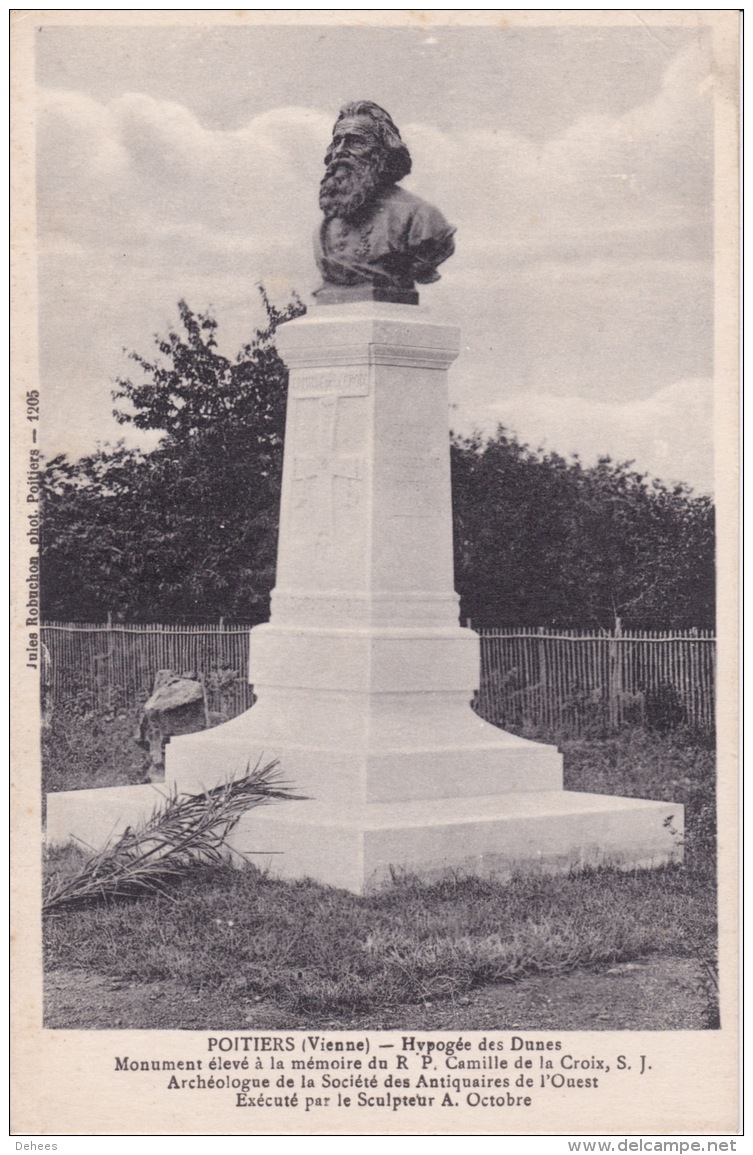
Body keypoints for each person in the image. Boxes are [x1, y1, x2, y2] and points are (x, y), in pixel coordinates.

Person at [314, 100, 455, 301]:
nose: (340, 151)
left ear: (384, 152)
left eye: (356, 141)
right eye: (337, 142)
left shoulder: (421, 217)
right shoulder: (325, 230)